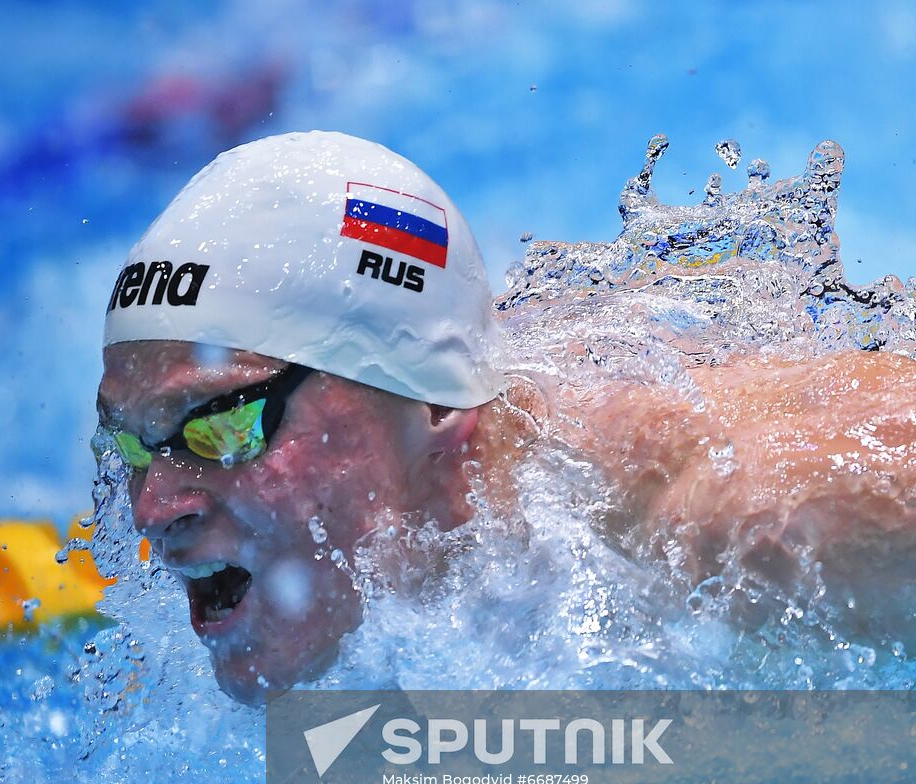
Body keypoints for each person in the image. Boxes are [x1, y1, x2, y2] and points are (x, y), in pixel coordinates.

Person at [95, 131, 916, 703]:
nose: (152, 507)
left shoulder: (736, 525)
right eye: (130, 440)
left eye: (217, 423)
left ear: (433, 399)